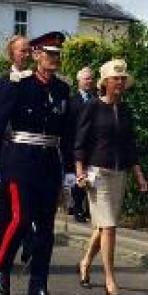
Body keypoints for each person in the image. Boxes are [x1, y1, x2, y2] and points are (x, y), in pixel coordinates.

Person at [0, 31, 76, 295]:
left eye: (58, 54)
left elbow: (67, 133)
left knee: (46, 230)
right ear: (37, 56)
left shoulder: (62, 89)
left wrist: (69, 168)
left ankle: (39, 286)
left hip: (48, 162)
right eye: (50, 54)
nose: (55, 59)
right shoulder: (17, 85)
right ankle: (2, 266)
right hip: (18, 160)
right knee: (21, 219)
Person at [75, 59, 148, 295]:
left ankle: (85, 262)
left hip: (120, 174)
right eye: (115, 78)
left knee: (104, 227)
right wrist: (79, 171)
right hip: (98, 174)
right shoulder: (93, 108)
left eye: (122, 78)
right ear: (104, 82)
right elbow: (80, 142)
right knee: (109, 228)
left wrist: (138, 175)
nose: (120, 82)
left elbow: (130, 145)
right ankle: (110, 279)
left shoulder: (126, 110)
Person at [0, 35, 33, 260]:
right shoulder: (0, 81)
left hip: (32, 154)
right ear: (11, 54)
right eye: (22, 50)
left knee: (29, 205)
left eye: (29, 50)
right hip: (8, 151)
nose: (26, 54)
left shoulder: (37, 80)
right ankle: (3, 252)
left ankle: (28, 243)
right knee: (5, 207)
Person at [67, 66, 95, 222]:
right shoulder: (72, 101)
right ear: (79, 81)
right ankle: (77, 208)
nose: (89, 82)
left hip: (93, 145)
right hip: (76, 145)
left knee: (92, 177)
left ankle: (90, 209)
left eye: (91, 78)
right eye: (86, 79)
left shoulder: (98, 99)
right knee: (78, 177)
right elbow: (69, 126)